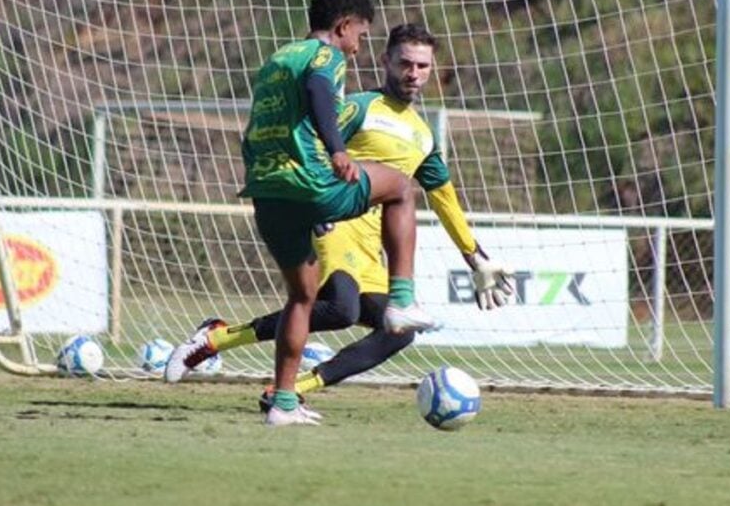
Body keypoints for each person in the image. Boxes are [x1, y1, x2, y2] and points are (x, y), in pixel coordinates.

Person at [166, 23, 514, 417]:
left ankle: (288, 383)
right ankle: (219, 341)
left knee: (398, 332)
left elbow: (444, 198)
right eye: (405, 63)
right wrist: (312, 205)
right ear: (385, 61)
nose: (413, 73)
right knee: (342, 309)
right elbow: (314, 139)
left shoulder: (424, 136)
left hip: (369, 250)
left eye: (422, 66)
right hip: (335, 224)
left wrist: (476, 257)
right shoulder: (362, 107)